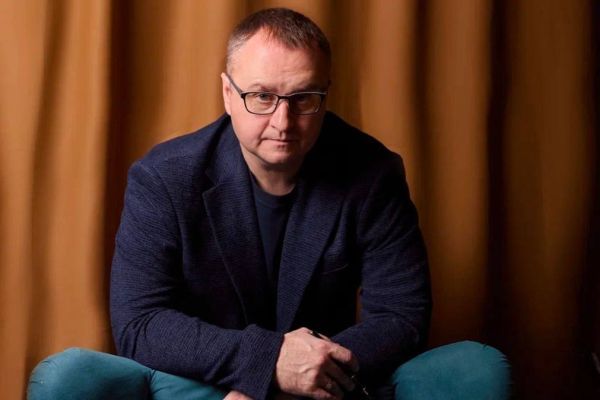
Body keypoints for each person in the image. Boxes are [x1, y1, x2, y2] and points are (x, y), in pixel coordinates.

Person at [28, 8, 510, 400]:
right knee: (72, 375)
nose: (283, 121)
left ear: (325, 95)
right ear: (227, 93)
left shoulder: (373, 173)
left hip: (327, 381)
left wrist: (303, 374)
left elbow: (401, 318)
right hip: (207, 383)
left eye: (304, 98)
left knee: (475, 366)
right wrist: (267, 364)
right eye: (262, 96)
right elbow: (141, 324)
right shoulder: (163, 177)